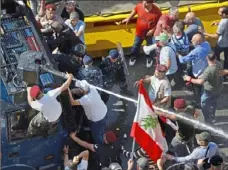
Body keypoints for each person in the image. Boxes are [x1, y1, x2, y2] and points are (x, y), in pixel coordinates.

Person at [183, 53, 223, 123]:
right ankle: (212, 116)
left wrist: (189, 79)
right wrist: (202, 75)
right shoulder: (219, 64)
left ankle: (208, 120)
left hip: (209, 90)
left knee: (204, 104)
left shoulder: (209, 70)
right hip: (218, 88)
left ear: (207, 59)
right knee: (214, 102)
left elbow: (200, 82)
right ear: (215, 58)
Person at [122, 0, 162, 67]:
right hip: (139, 32)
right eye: (143, 1)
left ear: (151, 3)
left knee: (150, 46)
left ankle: (149, 58)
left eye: (146, 2)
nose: (144, 3)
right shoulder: (140, 6)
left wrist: (152, 30)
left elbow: (159, 23)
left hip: (149, 35)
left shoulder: (157, 12)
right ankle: (133, 56)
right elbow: (135, 10)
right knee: (135, 45)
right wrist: (129, 18)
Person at [68, 80, 107, 144]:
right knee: (101, 129)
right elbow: (81, 90)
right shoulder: (92, 88)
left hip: (97, 120)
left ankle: (100, 147)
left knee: (97, 135)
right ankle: (102, 135)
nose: (78, 89)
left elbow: (72, 102)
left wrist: (68, 90)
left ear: (83, 90)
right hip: (103, 112)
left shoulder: (86, 99)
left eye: (79, 89)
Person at [178, 33, 211, 101]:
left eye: (193, 40)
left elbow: (183, 60)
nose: (191, 41)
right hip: (205, 68)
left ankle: (198, 101)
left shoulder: (196, 51)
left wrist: (177, 54)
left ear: (198, 42)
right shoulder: (207, 44)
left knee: (197, 87)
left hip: (198, 72)